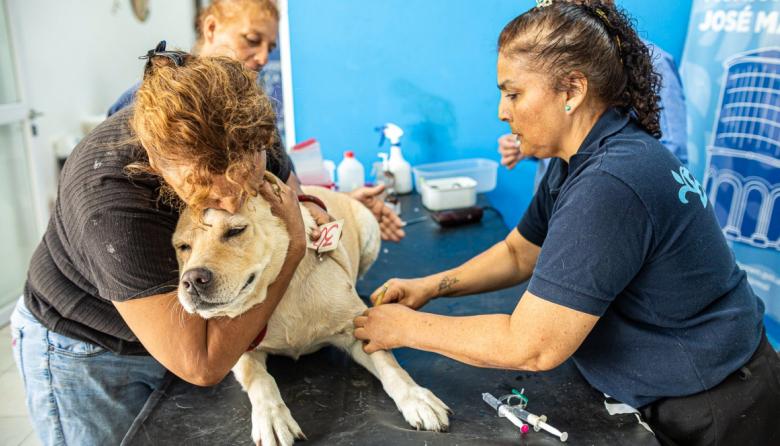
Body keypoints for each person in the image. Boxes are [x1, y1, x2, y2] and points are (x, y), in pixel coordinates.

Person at [354, 2, 780, 445]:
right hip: (685, 383)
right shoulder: (581, 156)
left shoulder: (611, 181)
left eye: (514, 93)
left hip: (718, 405)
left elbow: (532, 346)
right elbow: (520, 252)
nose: (503, 111)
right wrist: (430, 286)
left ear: (571, 90)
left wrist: (403, 328)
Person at [11, 50, 307, 445]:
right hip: (86, 348)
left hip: (188, 321)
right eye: (207, 190)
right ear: (155, 160)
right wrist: (295, 249)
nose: (233, 202)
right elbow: (201, 364)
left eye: (244, 178)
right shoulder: (111, 202)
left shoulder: (247, 129)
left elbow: (292, 199)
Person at [107, 0, 406, 242]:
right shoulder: (146, 110)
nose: (262, 57)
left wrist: (348, 208)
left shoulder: (252, 111)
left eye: (270, 48)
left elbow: (295, 198)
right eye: (252, 40)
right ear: (211, 28)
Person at [498, 0, 688, 186]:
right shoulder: (552, 60)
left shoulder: (656, 64)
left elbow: (671, 154)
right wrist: (532, 143)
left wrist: (611, 179)